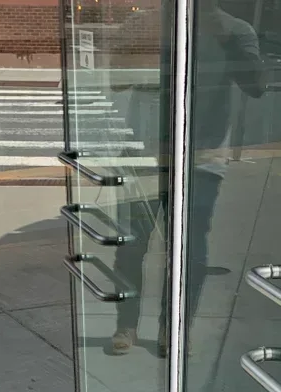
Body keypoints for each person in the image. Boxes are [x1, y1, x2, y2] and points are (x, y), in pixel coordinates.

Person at [109, 0, 266, 357]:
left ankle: (175, 327)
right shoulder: (145, 24)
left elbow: (256, 85)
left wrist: (223, 37)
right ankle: (127, 323)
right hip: (144, 155)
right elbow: (116, 78)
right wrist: (144, 40)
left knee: (190, 250)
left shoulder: (235, 30)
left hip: (201, 158)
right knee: (132, 245)